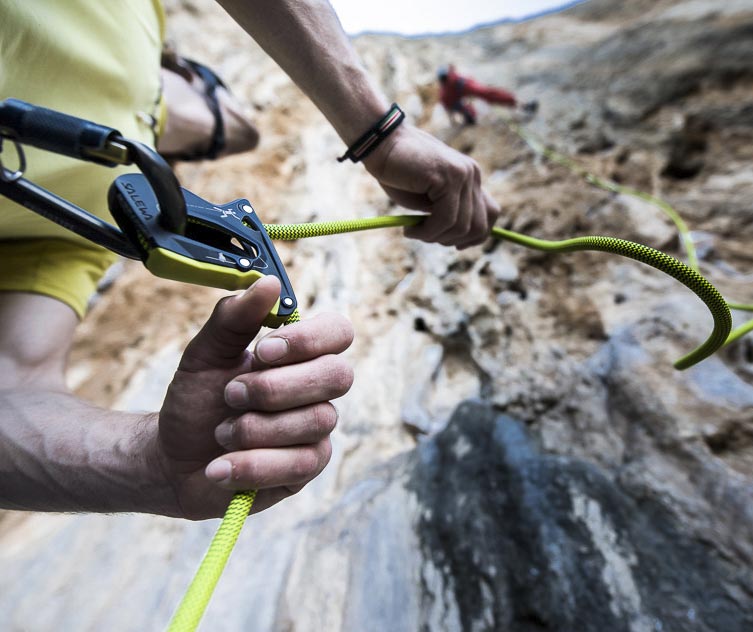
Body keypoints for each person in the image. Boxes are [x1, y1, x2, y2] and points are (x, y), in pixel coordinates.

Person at [0, 1, 500, 519]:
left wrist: (152, 463)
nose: (224, 128)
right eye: (220, 118)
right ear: (184, 73)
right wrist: (378, 129)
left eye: (212, 139)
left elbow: (14, 384)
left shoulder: (85, 221)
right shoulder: (130, 14)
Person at [437, 63, 537, 125]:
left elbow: (485, 92)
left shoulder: (450, 88)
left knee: (488, 95)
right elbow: (449, 108)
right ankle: (522, 105)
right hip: (459, 98)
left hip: (462, 93)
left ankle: (522, 105)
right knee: (471, 114)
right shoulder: (448, 90)